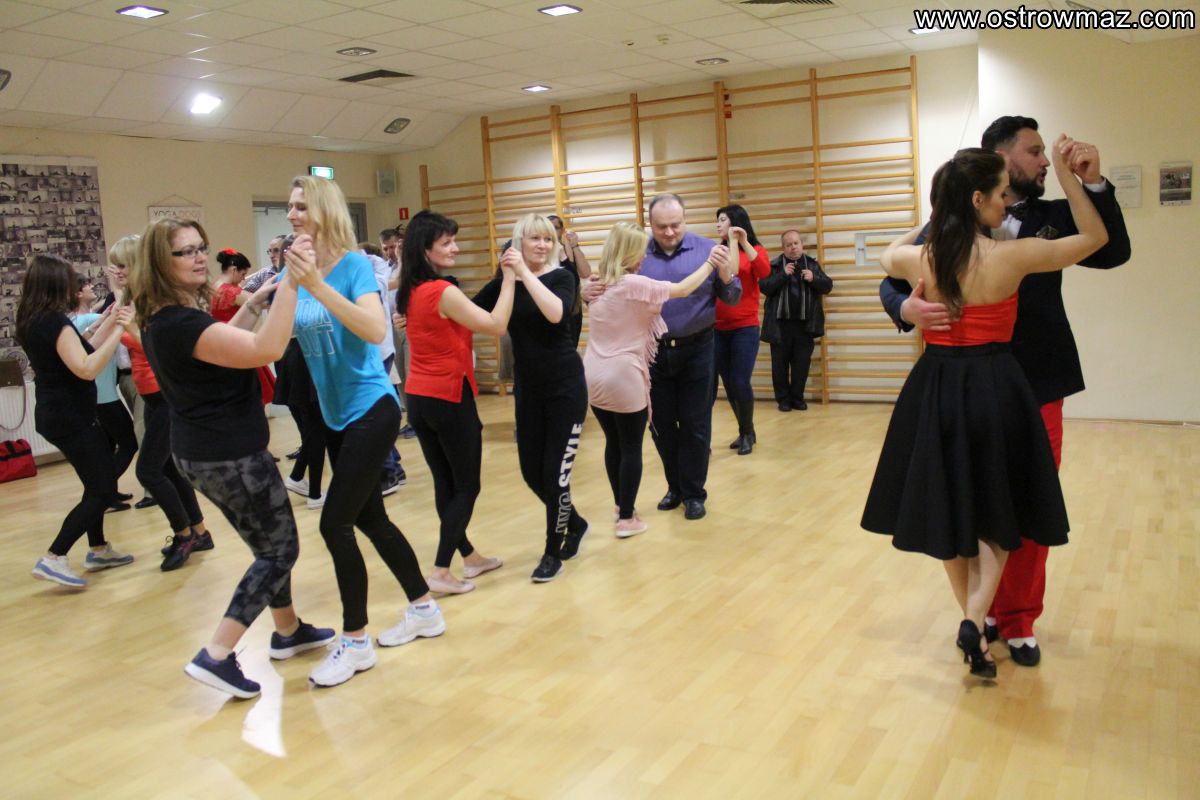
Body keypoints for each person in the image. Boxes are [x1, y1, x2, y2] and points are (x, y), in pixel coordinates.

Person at [879, 117, 1131, 667]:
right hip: (994, 385)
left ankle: (1008, 620)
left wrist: (1086, 182)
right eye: (1034, 152)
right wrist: (904, 307)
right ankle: (982, 617)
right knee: (994, 505)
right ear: (997, 167)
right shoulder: (982, 245)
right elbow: (890, 285)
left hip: (1001, 383)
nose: (1042, 161)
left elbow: (1110, 250)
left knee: (1002, 505)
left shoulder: (1034, 218)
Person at [135, 217, 335, 699]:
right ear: (160, 261)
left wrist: (254, 302)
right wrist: (292, 283)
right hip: (229, 455)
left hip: (205, 451)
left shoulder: (165, 318)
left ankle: (288, 630)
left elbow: (223, 347)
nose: (199, 258)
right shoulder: (180, 322)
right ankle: (217, 654)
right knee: (280, 551)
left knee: (266, 544)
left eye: (200, 247)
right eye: (185, 251)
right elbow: (265, 348)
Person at [285, 175, 443, 687]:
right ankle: (424, 608)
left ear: (323, 210)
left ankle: (355, 642)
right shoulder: (296, 268)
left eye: (300, 206)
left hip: (371, 407)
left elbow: (375, 330)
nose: (291, 214)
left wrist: (315, 285)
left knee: (335, 524)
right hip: (333, 414)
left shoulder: (353, 267)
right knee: (371, 518)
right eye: (289, 206)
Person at [397, 210, 512, 593]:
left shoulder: (412, 289)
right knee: (466, 487)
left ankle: (469, 557)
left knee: (445, 483)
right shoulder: (441, 291)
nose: (455, 248)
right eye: (446, 243)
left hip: (420, 398)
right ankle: (441, 570)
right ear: (425, 249)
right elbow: (496, 325)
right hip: (447, 396)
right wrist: (510, 279)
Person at [603, 194, 737, 522]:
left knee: (695, 423)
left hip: (698, 348)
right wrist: (588, 290)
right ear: (650, 224)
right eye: (661, 226)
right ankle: (674, 487)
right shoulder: (637, 253)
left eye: (676, 224)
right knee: (660, 425)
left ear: (685, 219)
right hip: (651, 351)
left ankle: (693, 493)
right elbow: (608, 284)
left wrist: (725, 276)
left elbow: (733, 297)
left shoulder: (708, 249)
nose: (669, 232)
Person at [473, 213, 590, 583]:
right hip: (528, 390)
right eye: (534, 239)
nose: (542, 245)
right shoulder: (505, 282)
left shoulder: (562, 277)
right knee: (531, 473)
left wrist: (524, 273)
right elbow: (471, 312)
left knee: (555, 476)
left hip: (565, 388)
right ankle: (576, 522)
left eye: (547, 239)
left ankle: (552, 552)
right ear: (518, 242)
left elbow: (557, 314)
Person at [583, 221, 719, 538]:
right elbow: (683, 289)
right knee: (631, 447)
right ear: (628, 252)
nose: (644, 256)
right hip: (623, 375)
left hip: (592, 373)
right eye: (640, 251)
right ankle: (626, 520)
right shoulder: (634, 284)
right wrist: (711, 263)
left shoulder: (598, 284)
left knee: (614, 443)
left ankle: (621, 505)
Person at [17, 255, 136, 588]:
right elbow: (86, 367)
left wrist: (111, 317)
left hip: (61, 414)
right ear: (57, 283)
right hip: (69, 417)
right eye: (70, 279)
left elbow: (83, 349)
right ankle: (54, 556)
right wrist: (121, 329)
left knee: (95, 483)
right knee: (103, 489)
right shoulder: (54, 322)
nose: (75, 285)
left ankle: (98, 549)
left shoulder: (34, 319)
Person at [121, 303, 214, 572]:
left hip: (165, 398)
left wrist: (130, 327)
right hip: (151, 399)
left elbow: (158, 350)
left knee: (148, 471)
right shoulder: (136, 307)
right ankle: (200, 532)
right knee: (168, 468)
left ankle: (183, 535)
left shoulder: (161, 314)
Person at [70, 276, 137, 510]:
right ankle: (103, 492)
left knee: (108, 446)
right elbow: (120, 315)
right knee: (129, 443)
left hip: (95, 394)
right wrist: (118, 287)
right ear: (78, 293)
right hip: (104, 396)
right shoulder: (91, 319)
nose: (91, 287)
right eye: (86, 286)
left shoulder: (74, 320)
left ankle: (109, 493)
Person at [713, 204, 770, 455]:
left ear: (735, 222)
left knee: (740, 380)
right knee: (728, 382)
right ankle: (745, 429)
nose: (718, 224)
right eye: (717, 220)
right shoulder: (718, 251)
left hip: (745, 327)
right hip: (718, 327)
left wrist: (742, 242)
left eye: (722, 219)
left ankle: (747, 432)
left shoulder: (755, 249)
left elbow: (764, 272)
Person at [760, 231, 831, 411]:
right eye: (789, 245)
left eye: (796, 243)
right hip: (780, 326)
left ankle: (797, 398)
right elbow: (764, 287)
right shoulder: (775, 265)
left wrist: (814, 278)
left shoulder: (812, 264)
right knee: (779, 366)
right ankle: (783, 400)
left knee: (802, 365)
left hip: (805, 326)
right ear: (783, 248)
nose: (793, 247)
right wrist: (783, 275)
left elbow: (828, 286)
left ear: (801, 244)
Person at [381, 226, 417, 440]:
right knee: (401, 376)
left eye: (393, 247)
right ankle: (410, 418)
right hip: (392, 325)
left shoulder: (412, 266)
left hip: (410, 322)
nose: (390, 252)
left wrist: (403, 258)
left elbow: (402, 282)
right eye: (385, 248)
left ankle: (417, 420)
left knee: (411, 372)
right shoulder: (383, 268)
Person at [548, 214, 591, 348]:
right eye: (549, 228)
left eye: (556, 228)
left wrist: (574, 245)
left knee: (571, 350)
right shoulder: (542, 251)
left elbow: (585, 272)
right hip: (553, 310)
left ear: (562, 230)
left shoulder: (567, 248)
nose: (552, 231)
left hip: (573, 310)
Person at [209, 248, 251, 322]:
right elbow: (260, 301)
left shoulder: (214, 286)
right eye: (243, 274)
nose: (243, 278)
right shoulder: (232, 292)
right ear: (234, 270)